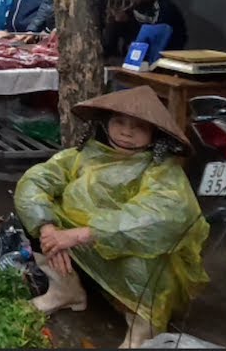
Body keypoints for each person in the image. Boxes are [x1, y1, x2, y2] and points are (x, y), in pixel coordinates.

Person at [14, 87, 209, 348]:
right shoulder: (85, 155)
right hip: (83, 245)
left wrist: (81, 234)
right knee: (37, 216)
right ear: (106, 123)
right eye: (119, 122)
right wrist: (47, 228)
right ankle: (66, 290)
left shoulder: (162, 171)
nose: (126, 132)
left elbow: (158, 218)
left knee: (143, 254)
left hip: (133, 258)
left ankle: (142, 332)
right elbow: (34, 182)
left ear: (155, 134)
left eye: (139, 126)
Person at [104, 0, 189, 57]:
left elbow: (157, 32)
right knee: (116, 24)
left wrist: (136, 42)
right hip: (146, 42)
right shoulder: (140, 5)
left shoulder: (164, 8)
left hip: (165, 47)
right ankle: (109, 54)